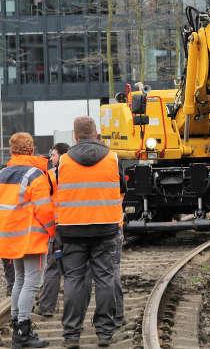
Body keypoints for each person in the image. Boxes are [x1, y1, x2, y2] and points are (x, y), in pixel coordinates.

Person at [54, 117, 122, 348]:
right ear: (96, 133)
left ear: (75, 136)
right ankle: (104, 333)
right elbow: (121, 188)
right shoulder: (112, 158)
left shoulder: (63, 161)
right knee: (105, 279)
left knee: (73, 280)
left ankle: (71, 335)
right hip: (105, 228)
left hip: (72, 230)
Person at [0, 132, 55, 348]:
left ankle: (17, 327)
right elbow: (44, 210)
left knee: (19, 281)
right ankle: (23, 330)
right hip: (31, 237)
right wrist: (52, 231)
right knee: (32, 282)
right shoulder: (35, 175)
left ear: (12, 150)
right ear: (31, 149)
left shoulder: (3, 173)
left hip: (10, 237)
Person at [35, 143, 70, 317]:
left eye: (54, 155)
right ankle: (73, 309)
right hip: (74, 226)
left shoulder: (49, 176)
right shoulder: (78, 174)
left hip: (56, 229)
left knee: (53, 267)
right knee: (75, 269)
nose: (51, 158)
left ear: (62, 156)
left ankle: (47, 307)